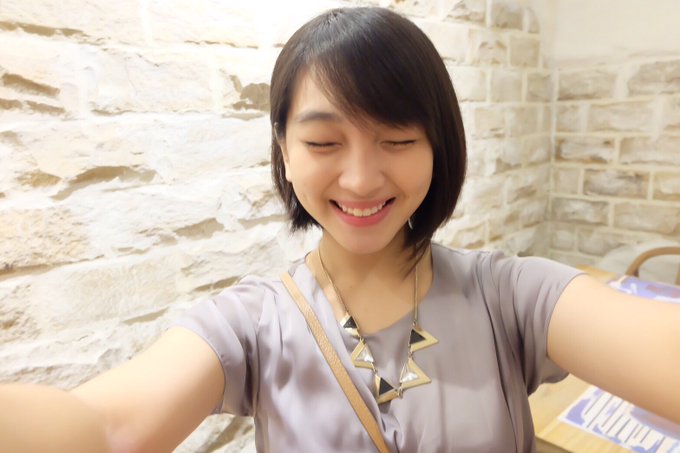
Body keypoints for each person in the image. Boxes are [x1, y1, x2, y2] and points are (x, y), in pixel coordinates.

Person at [1, 6, 679, 453]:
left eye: (397, 139)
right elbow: (103, 427)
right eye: (324, 143)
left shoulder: (510, 296)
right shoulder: (251, 323)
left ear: (438, 144)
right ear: (284, 149)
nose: (359, 178)